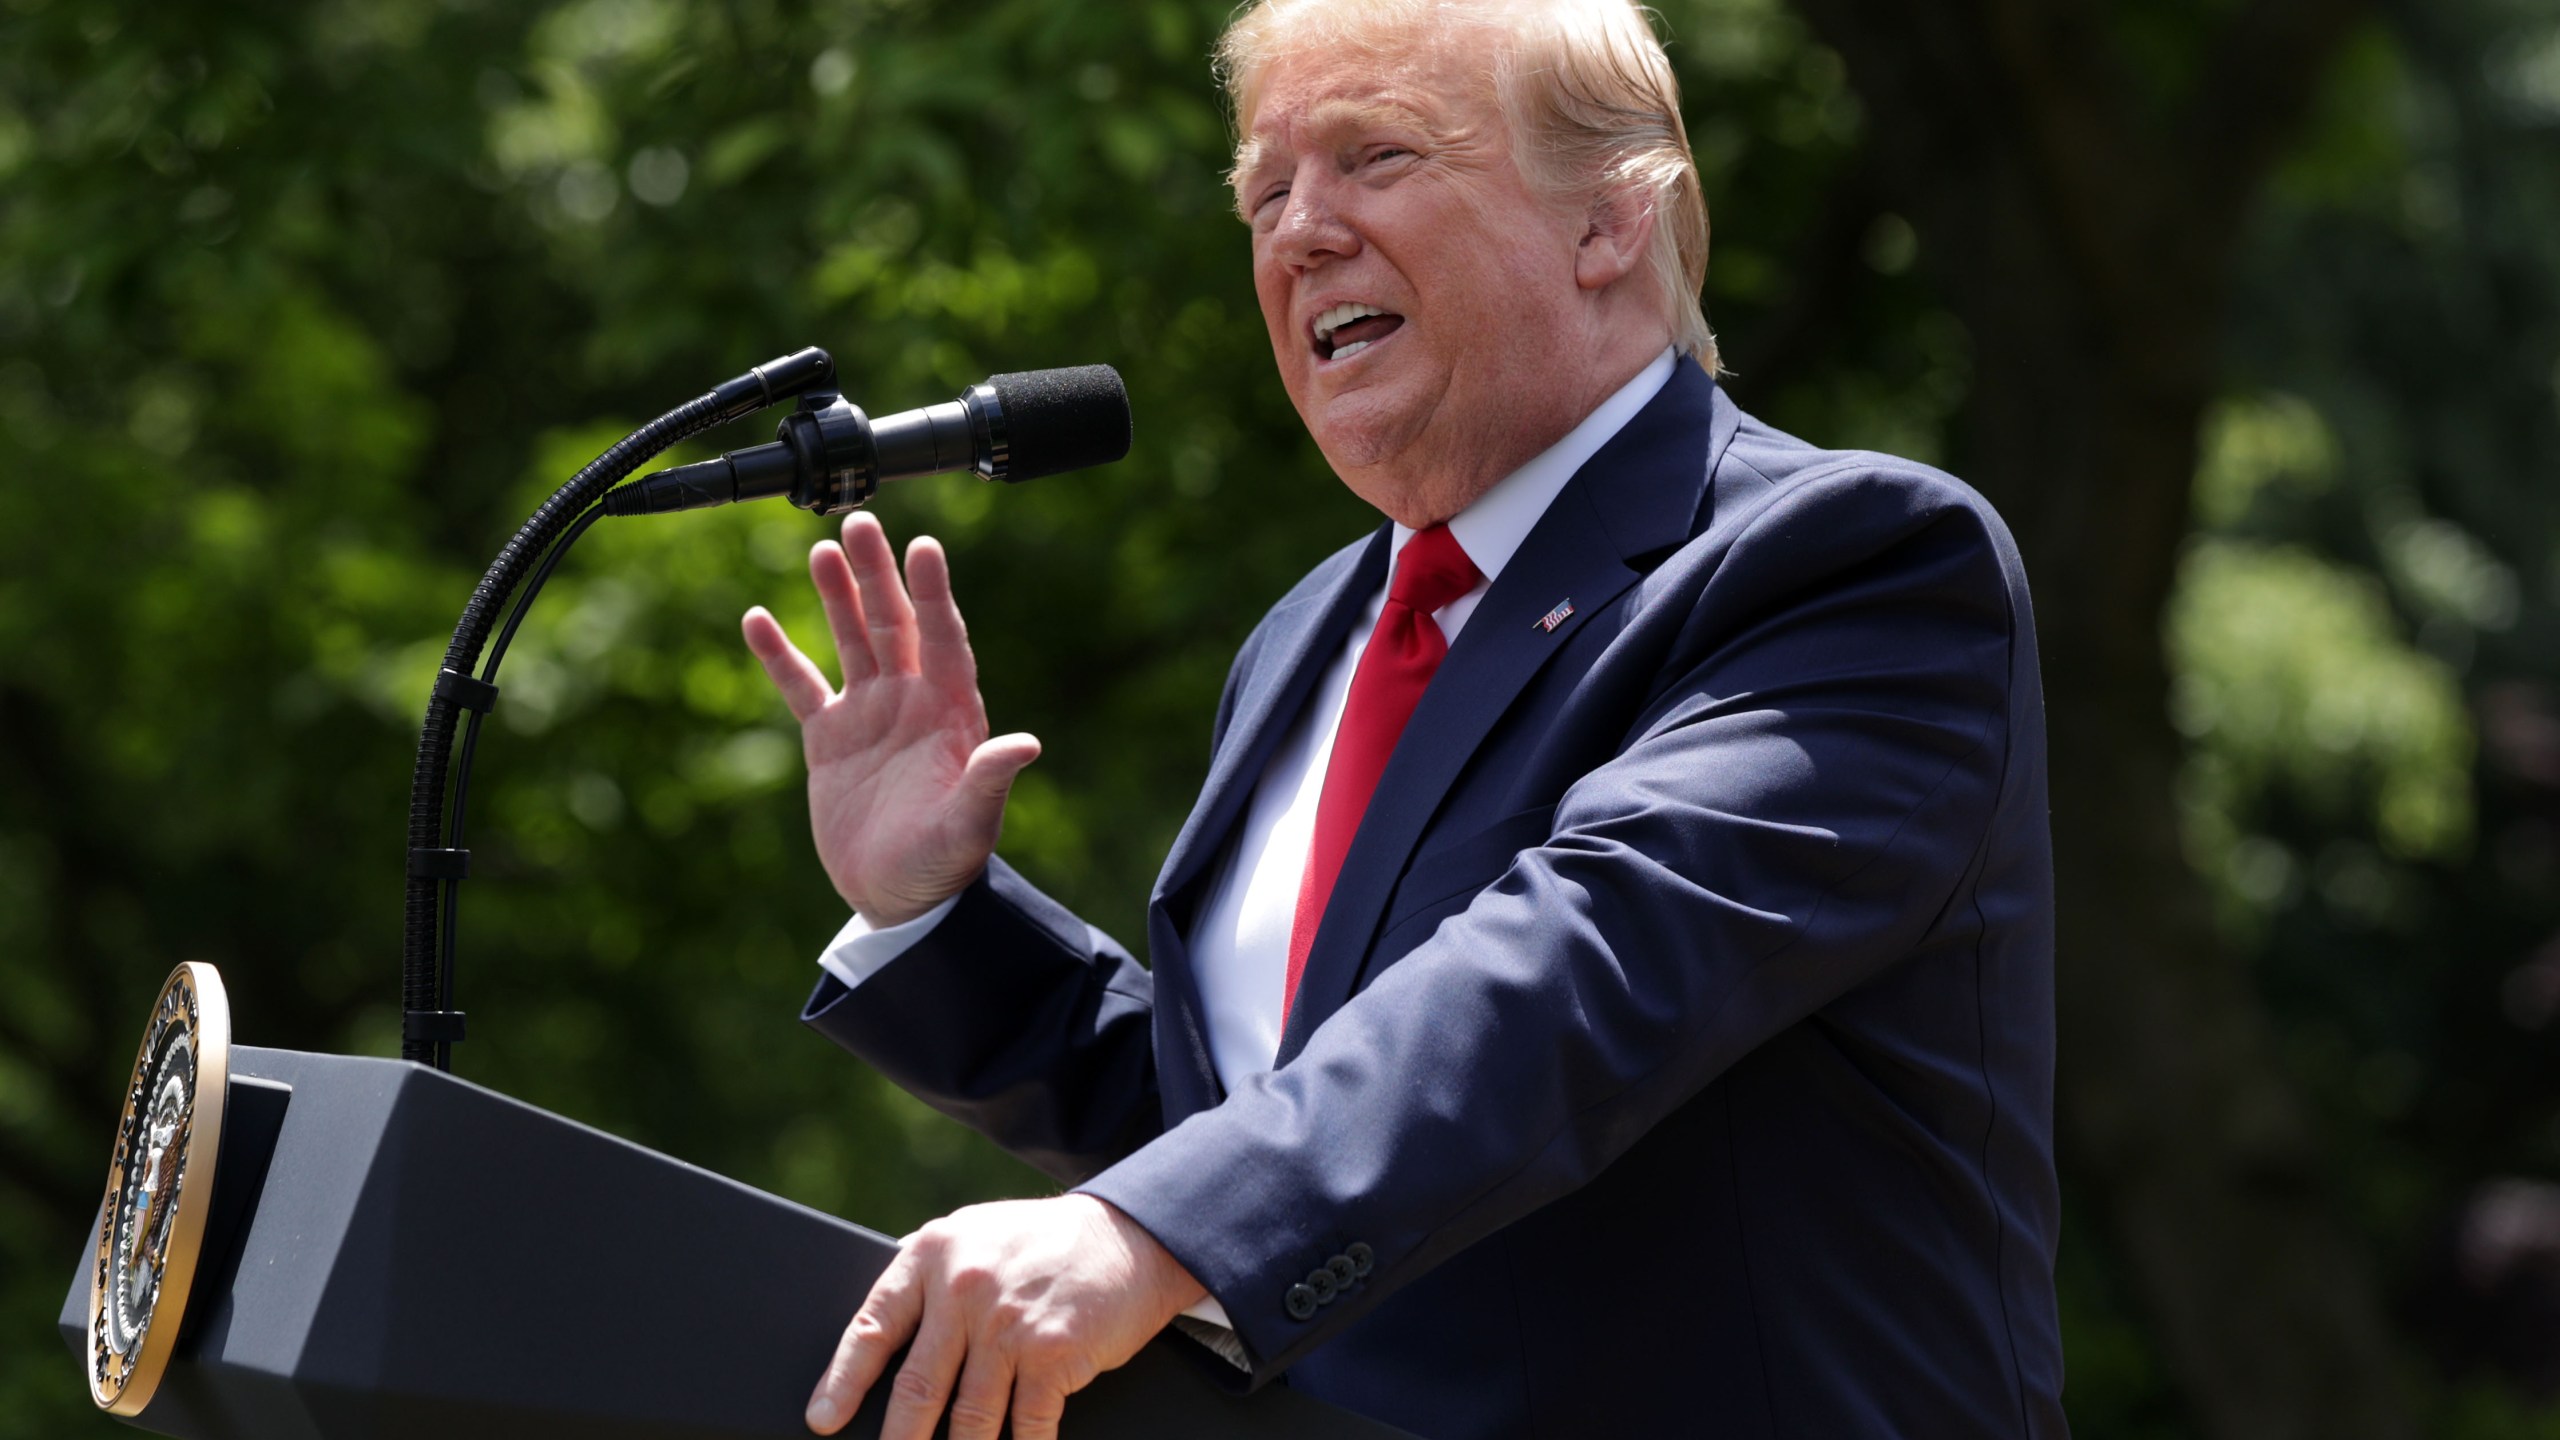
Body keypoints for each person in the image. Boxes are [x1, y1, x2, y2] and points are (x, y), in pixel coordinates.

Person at [740, 1, 2067, 1436]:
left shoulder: (1850, 563)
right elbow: (1256, 1127)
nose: (1298, 231)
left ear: (1613, 219)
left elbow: (1576, 977)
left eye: (1375, 157)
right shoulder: (1308, 641)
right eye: (1264, 191)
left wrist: (1146, 1233)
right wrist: (939, 914)